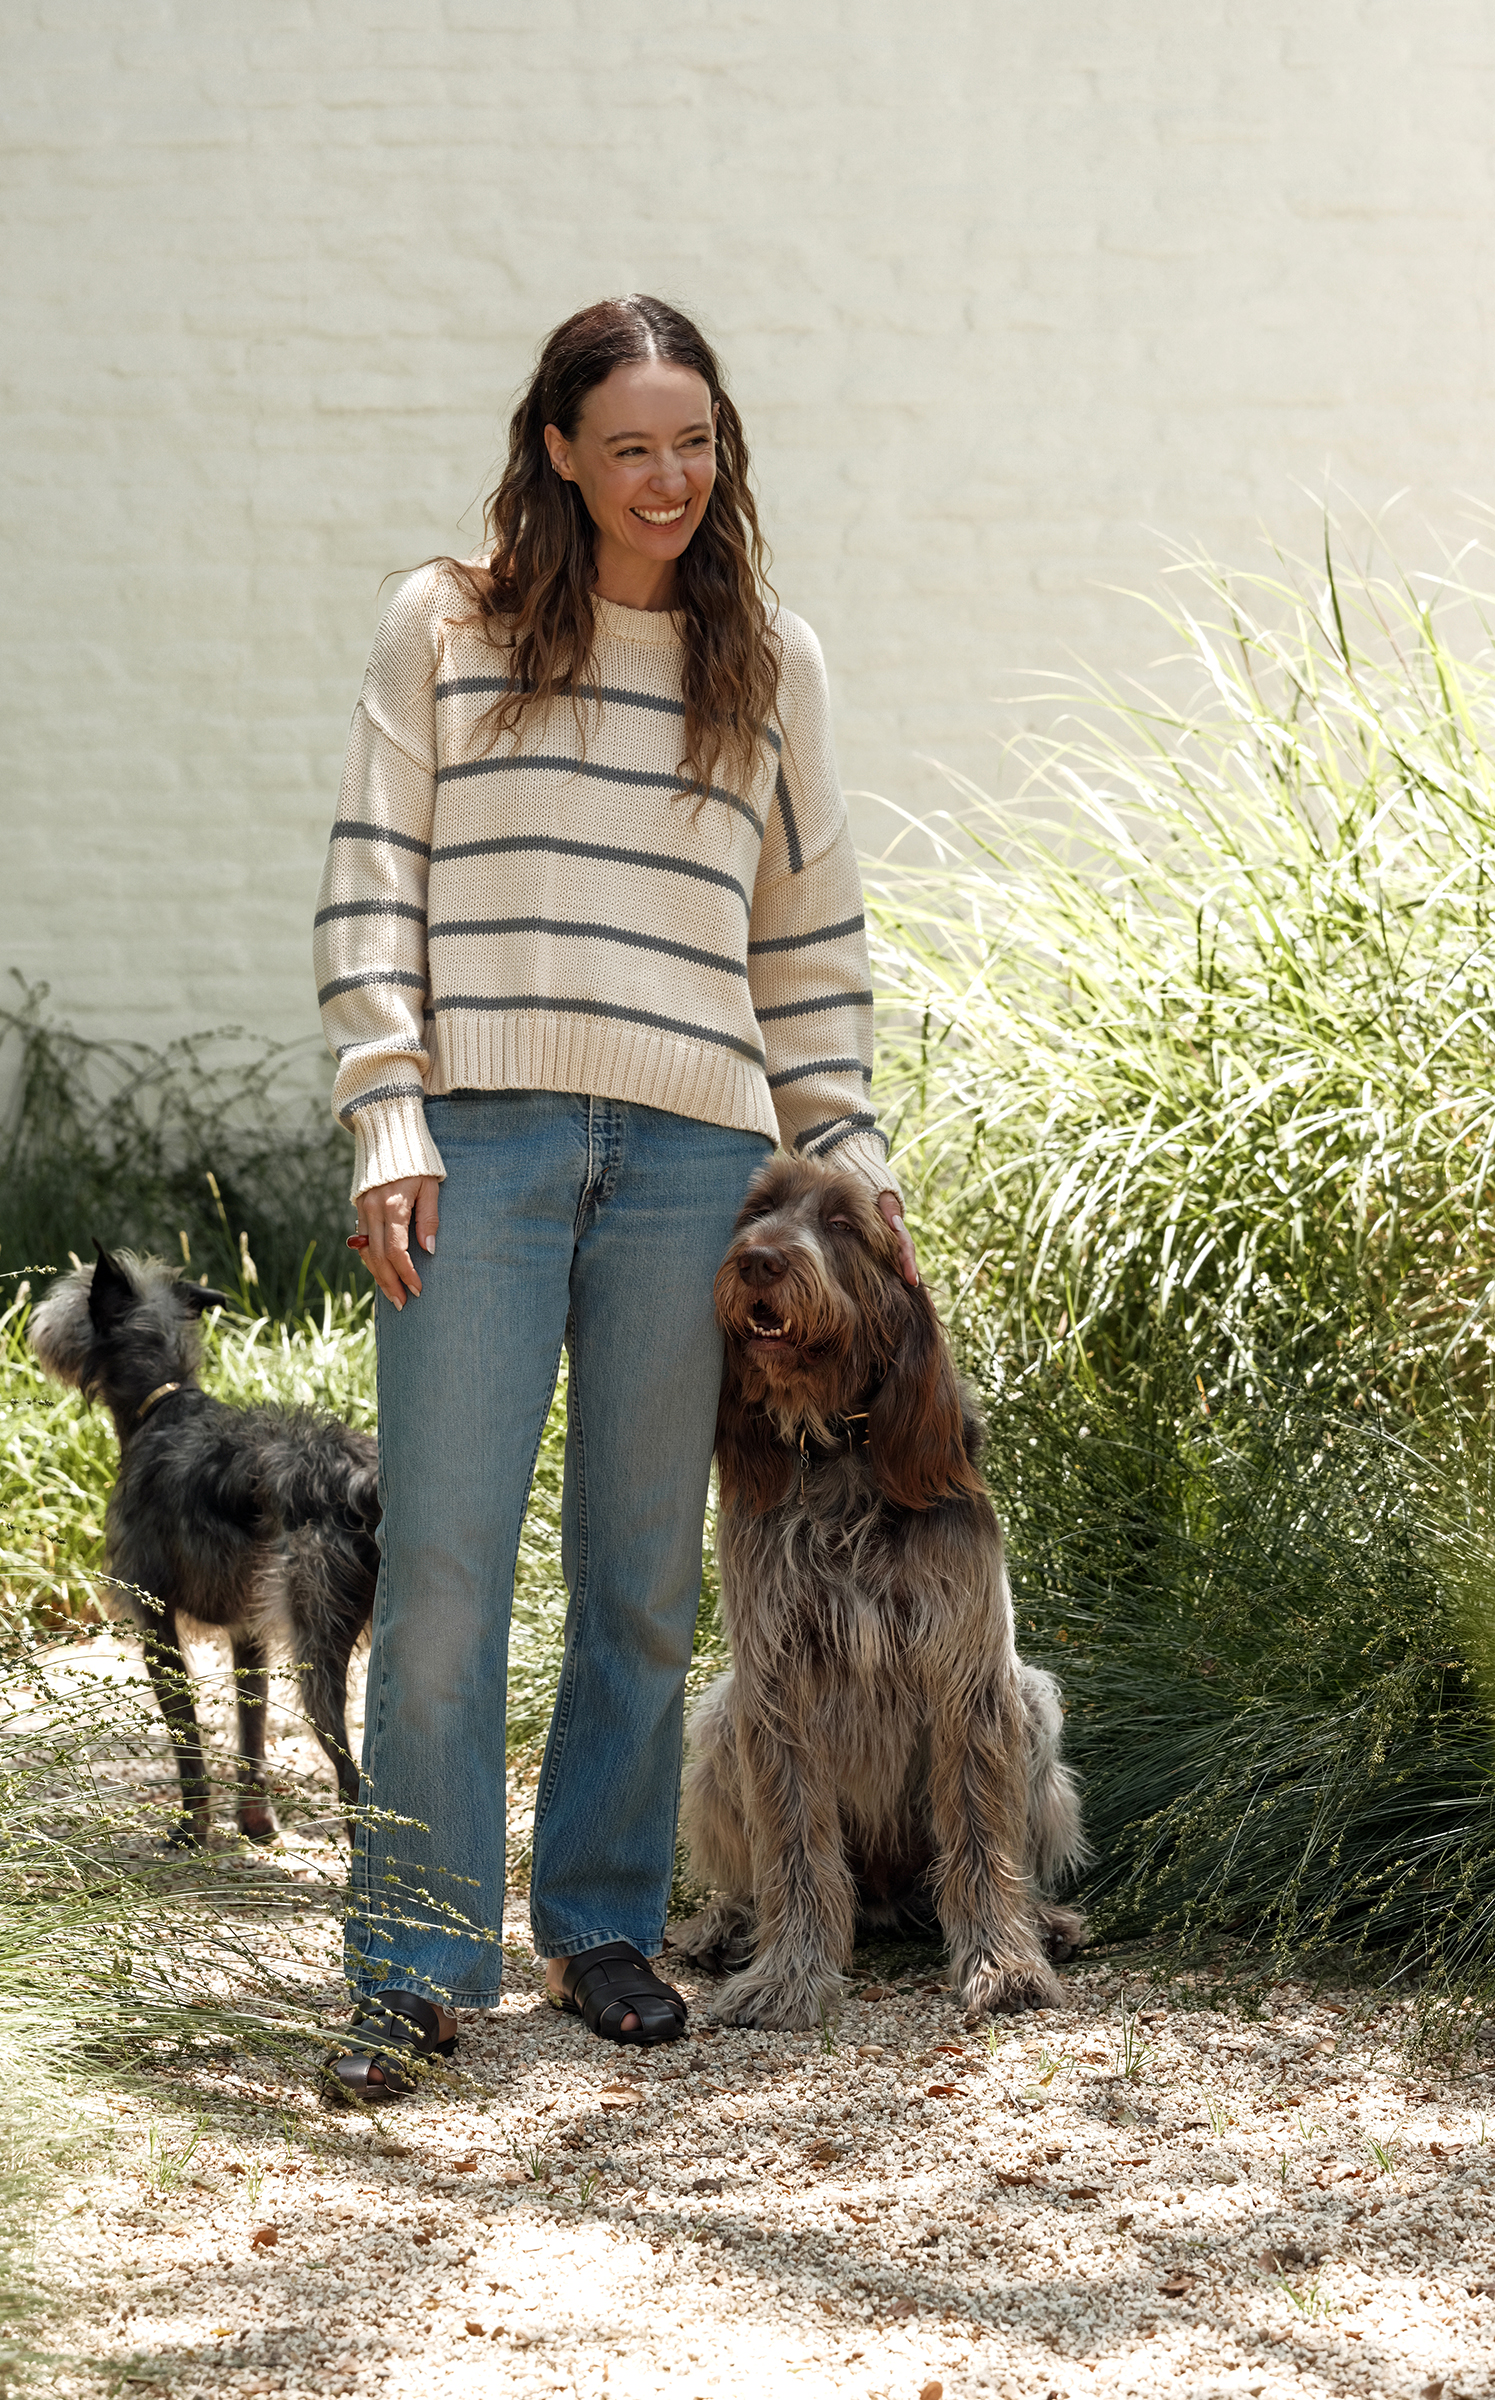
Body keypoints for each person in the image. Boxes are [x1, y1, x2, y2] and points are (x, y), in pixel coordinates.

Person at [312, 293, 914, 2098]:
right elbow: (374, 875)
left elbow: (808, 938)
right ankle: (416, 1955)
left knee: (646, 1579)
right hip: (476, 1149)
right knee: (442, 1571)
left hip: (694, 1167)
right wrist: (386, 1107)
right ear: (559, 452)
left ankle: (598, 1923)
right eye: (631, 446)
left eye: (696, 443)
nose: (668, 479)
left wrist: (847, 1149)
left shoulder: (769, 661)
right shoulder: (449, 625)